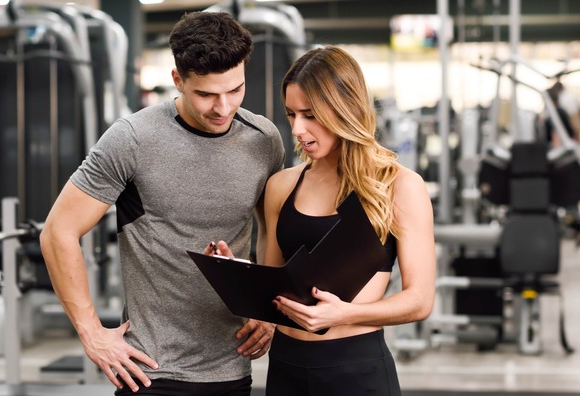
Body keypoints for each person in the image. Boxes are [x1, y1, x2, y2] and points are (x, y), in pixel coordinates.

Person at [39, 11, 286, 396]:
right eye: (206, 94)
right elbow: (58, 232)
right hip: (150, 370)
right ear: (178, 80)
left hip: (233, 365)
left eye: (235, 90)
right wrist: (92, 333)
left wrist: (266, 310)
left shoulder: (264, 140)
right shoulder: (132, 139)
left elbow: (271, 231)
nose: (223, 108)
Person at [261, 46, 435, 395]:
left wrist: (343, 314)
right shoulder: (281, 186)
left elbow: (420, 300)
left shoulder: (399, 186)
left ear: (345, 109)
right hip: (285, 367)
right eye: (292, 114)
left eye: (310, 115)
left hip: (356, 370)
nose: (297, 128)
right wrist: (232, 270)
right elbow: (271, 287)